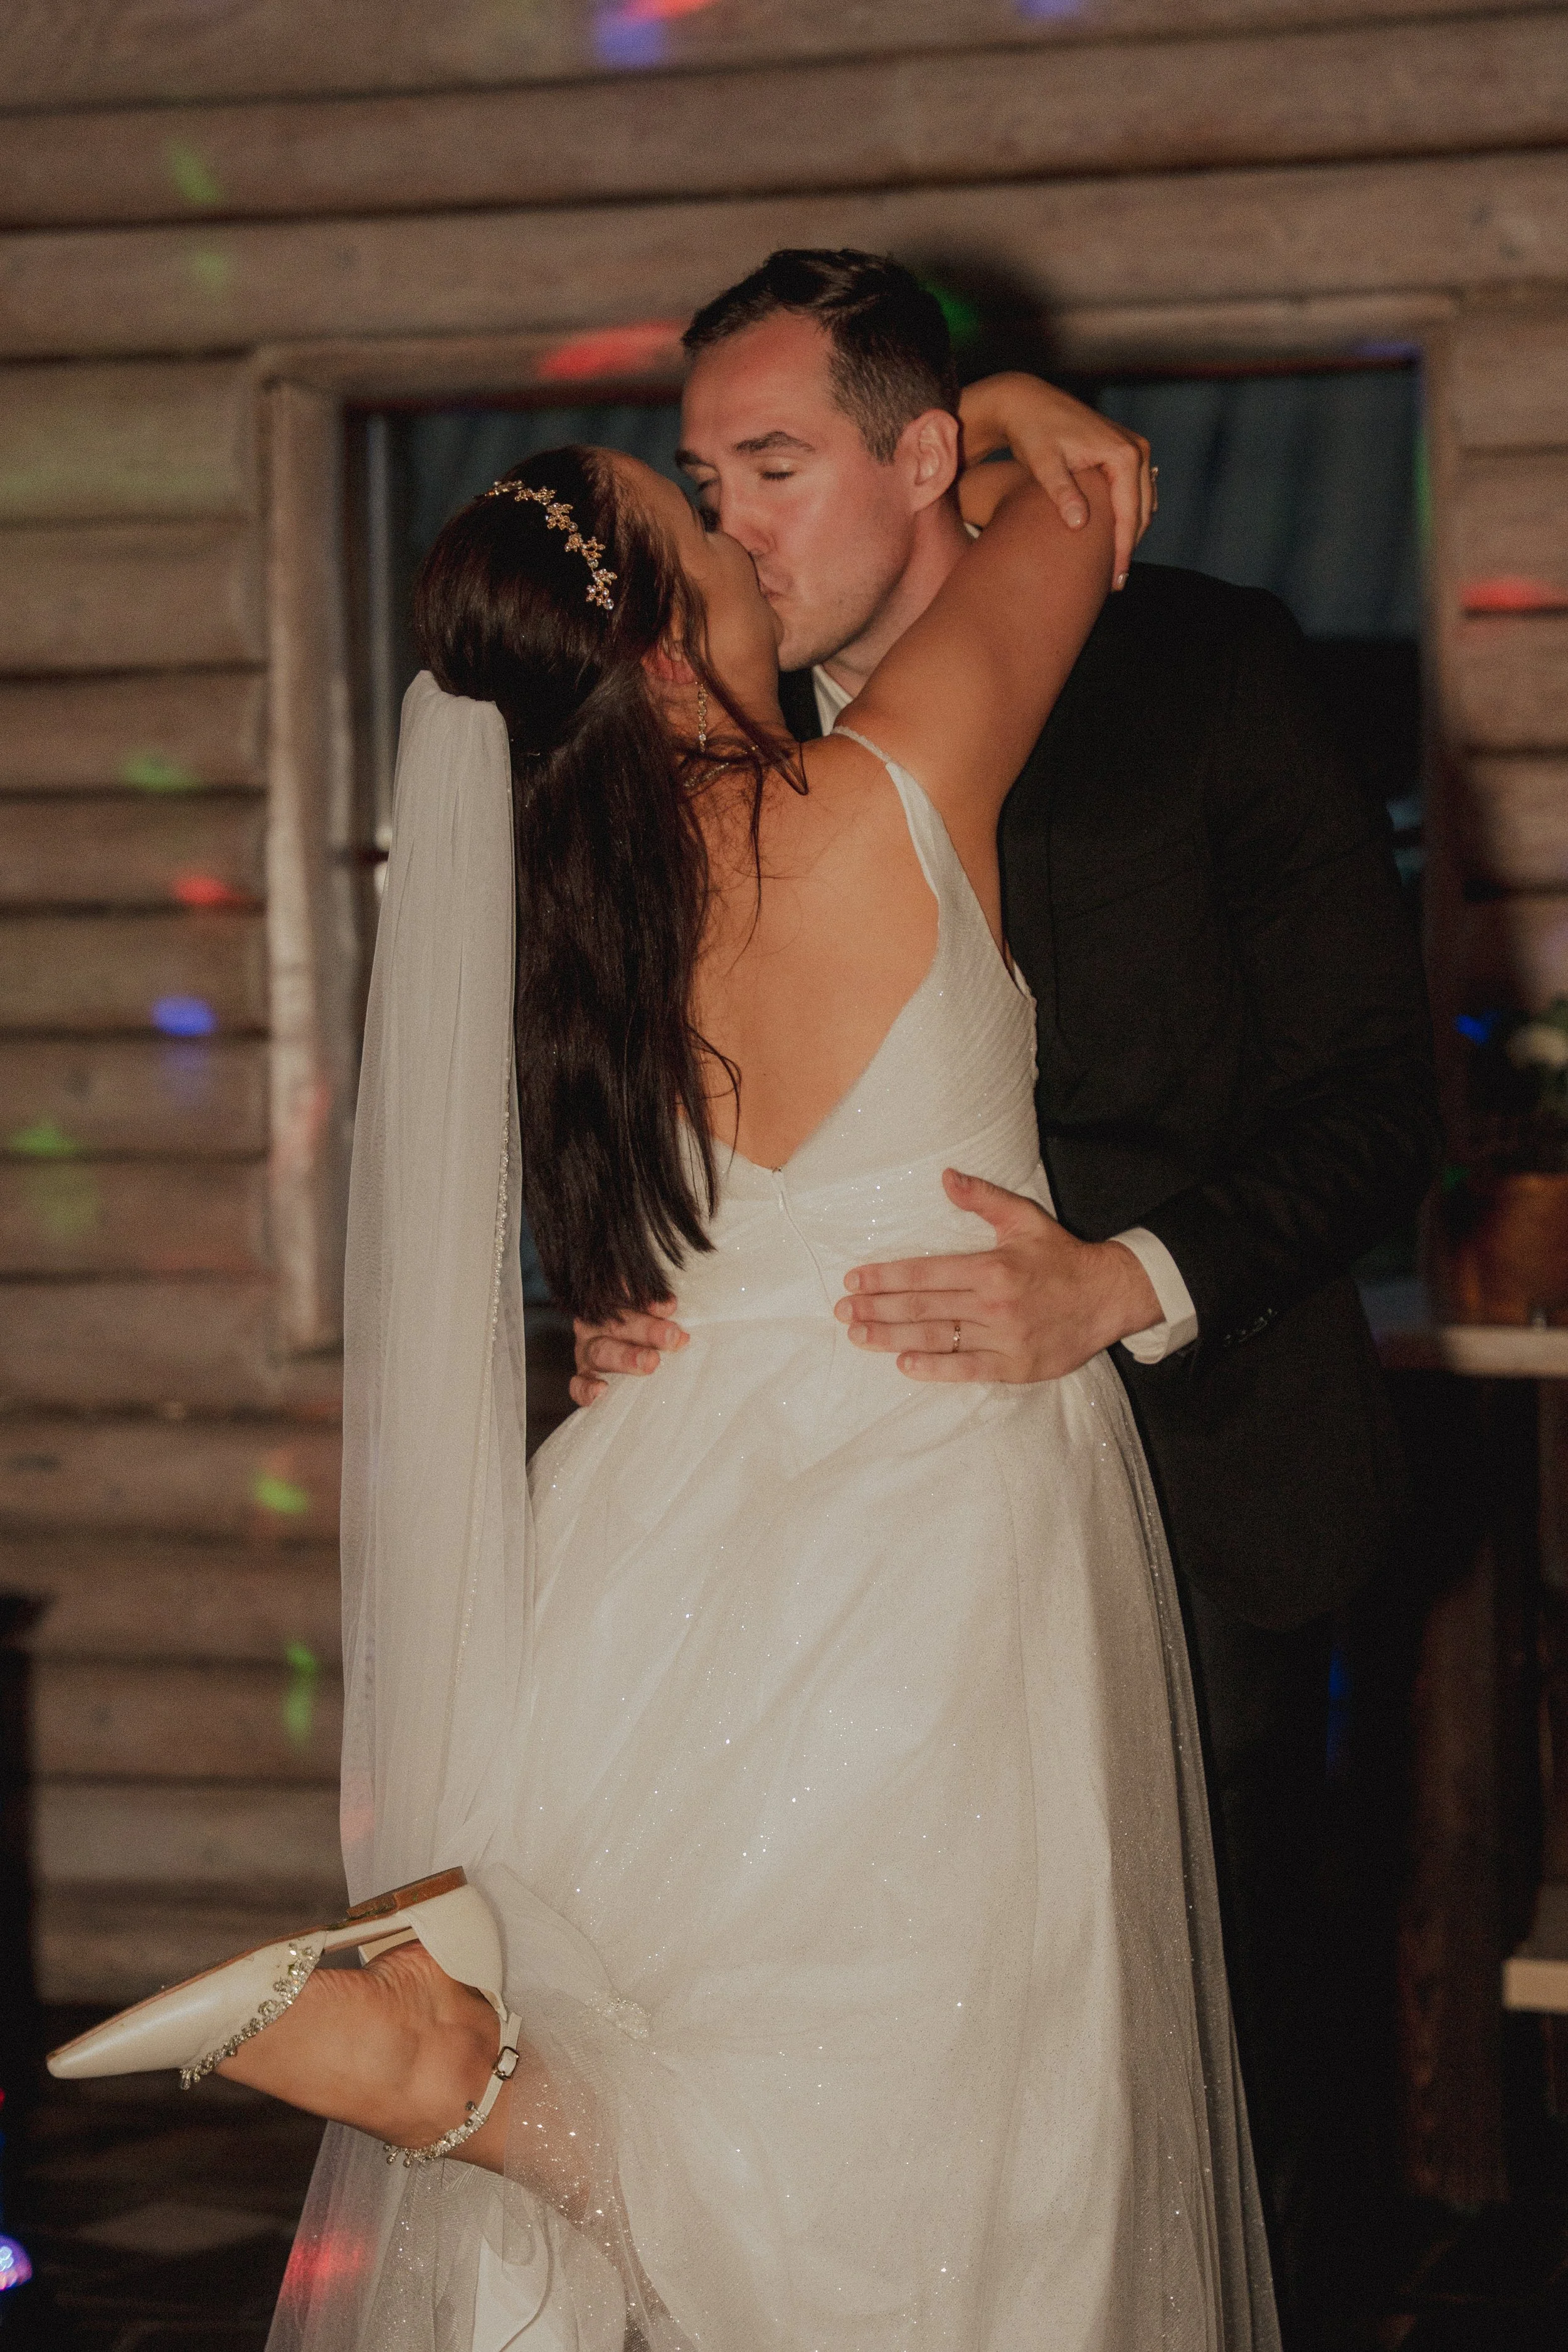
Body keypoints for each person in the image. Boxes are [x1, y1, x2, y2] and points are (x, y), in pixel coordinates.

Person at [48, 373, 1278, 2352]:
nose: (752, 539)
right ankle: (479, 2090)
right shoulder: (877, 794)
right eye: (710, 522)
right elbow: (1091, 485)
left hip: (648, 1512)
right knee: (956, 2133)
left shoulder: (572, 929)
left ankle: (487, 2088)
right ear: (655, 620)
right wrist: (985, 402)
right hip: (922, 1506)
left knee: (716, 2032)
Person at [573, 249, 1443, 2347]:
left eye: (771, 466)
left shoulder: (1211, 671)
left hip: (1208, 1481)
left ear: (923, 458)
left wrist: (1123, 1281)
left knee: (1229, 2109)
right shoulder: (710, 760)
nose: (730, 525)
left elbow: (1383, 1093)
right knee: (901, 2100)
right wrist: (624, 1303)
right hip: (861, 1575)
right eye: (707, 477)